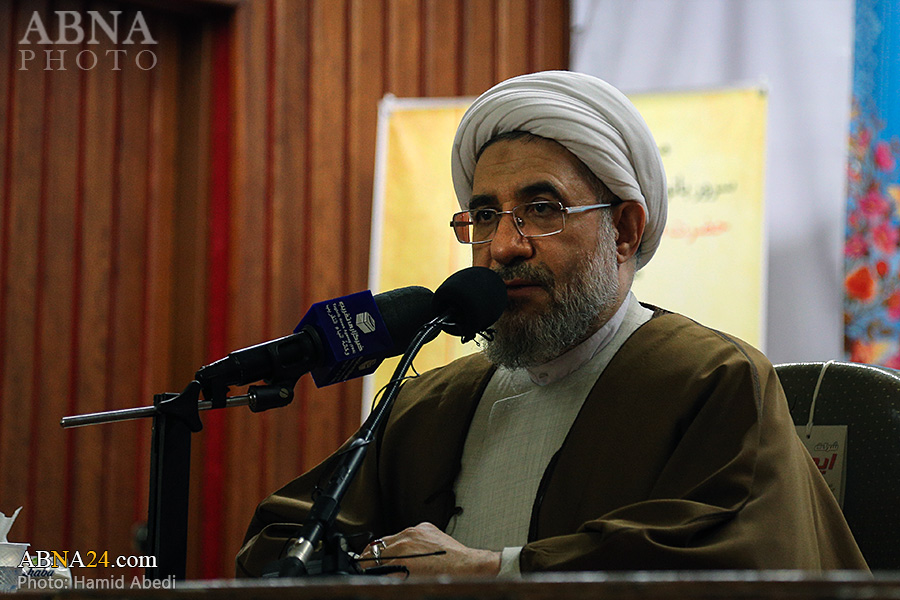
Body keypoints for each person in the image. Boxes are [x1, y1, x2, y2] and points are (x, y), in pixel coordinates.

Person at [236, 71, 867, 577]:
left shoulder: (711, 380)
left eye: (542, 209)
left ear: (624, 230)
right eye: (485, 216)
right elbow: (284, 539)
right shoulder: (429, 403)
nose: (503, 246)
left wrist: (493, 572)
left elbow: (732, 567)